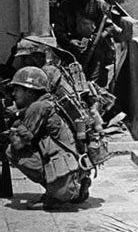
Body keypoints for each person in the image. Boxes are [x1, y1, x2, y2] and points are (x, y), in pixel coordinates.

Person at [6, 66, 90, 209]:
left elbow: (19, 143)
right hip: (75, 165)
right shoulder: (51, 101)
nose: (14, 94)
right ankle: (77, 187)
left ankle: (56, 196)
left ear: (30, 92)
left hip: (65, 170)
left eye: (17, 89)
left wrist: (10, 130)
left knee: (11, 151)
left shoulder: (37, 107)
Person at [53, 0, 122, 88]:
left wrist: (100, 36)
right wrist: (70, 42)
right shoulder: (66, 7)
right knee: (75, 84)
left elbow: (111, 27)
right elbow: (58, 31)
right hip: (73, 52)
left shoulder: (100, 5)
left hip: (96, 51)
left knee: (94, 84)